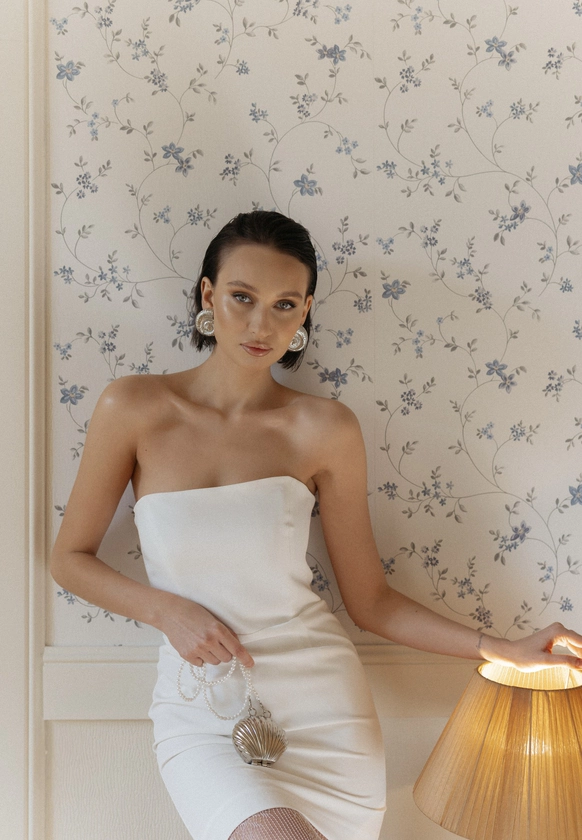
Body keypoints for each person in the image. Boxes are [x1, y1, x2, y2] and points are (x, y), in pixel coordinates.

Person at [50, 210, 582, 840]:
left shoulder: (325, 428)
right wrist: (166, 612)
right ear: (207, 295)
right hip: (204, 709)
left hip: (324, 712)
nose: (261, 325)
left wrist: (501, 649)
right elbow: (69, 559)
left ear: (304, 312)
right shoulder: (133, 407)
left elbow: (371, 601)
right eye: (242, 297)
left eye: (284, 305)